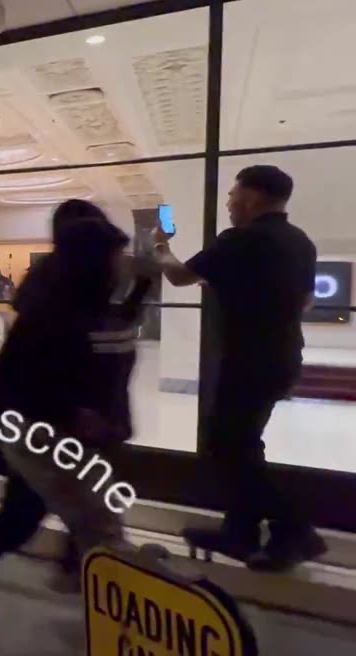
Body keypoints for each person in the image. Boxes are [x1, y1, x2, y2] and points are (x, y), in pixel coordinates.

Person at [0, 217, 137, 654]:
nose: (122, 264)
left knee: (9, 519)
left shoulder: (89, 305)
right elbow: (9, 386)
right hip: (28, 436)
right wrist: (71, 414)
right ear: (94, 261)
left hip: (39, 438)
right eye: (115, 255)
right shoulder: (53, 314)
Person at [153, 165, 324, 572]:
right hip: (282, 358)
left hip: (246, 361)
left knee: (227, 445)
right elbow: (306, 302)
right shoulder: (301, 243)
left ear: (253, 198)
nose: (229, 204)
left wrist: (161, 245)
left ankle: (295, 529)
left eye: (233, 196)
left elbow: (178, 276)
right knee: (245, 443)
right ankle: (240, 532)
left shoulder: (240, 240)